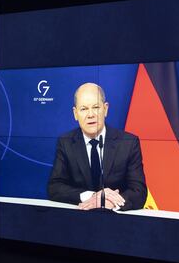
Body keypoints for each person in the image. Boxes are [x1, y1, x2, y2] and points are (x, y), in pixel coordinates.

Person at [47, 83, 147, 211]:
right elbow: (54, 187)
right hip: (78, 218)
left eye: (96, 107)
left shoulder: (128, 142)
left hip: (117, 220)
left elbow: (139, 192)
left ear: (105, 109)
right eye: (83, 109)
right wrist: (93, 196)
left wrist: (110, 202)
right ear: (75, 113)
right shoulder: (65, 142)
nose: (90, 114)